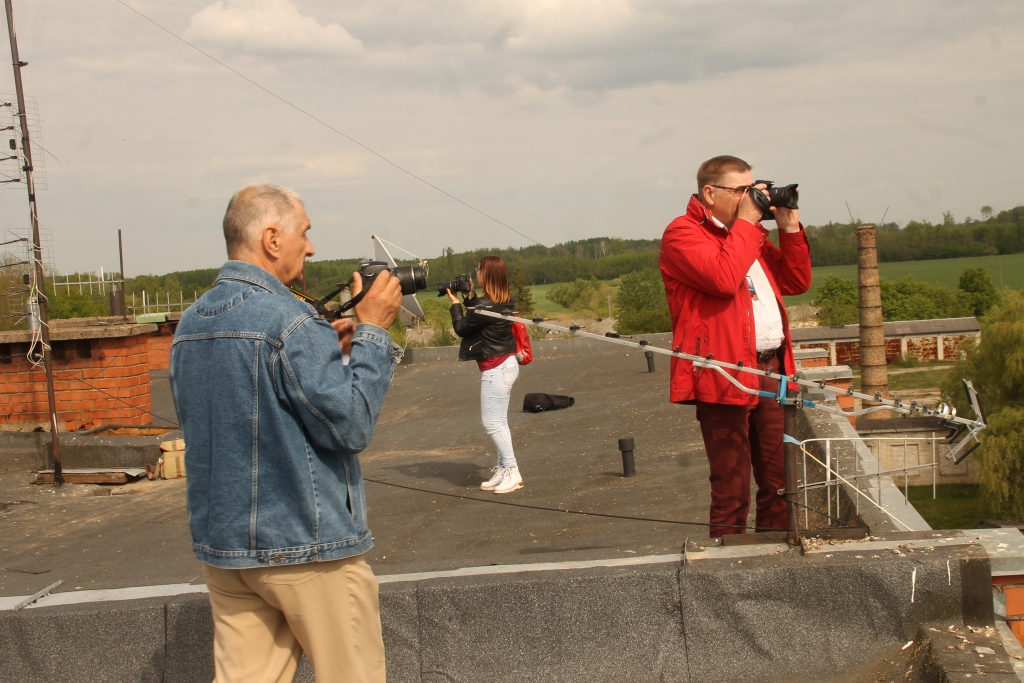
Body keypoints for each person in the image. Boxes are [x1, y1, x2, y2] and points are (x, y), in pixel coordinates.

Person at [169, 183, 403, 683]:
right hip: (308, 550)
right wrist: (375, 332)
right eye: (306, 232)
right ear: (272, 239)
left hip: (227, 551)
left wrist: (327, 349)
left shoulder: (190, 323)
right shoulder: (290, 321)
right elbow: (352, 425)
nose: (311, 246)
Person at [659, 156, 811, 537]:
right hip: (725, 375)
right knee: (732, 486)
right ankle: (726, 574)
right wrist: (747, 221)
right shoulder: (682, 234)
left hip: (772, 371)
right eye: (741, 191)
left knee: (780, 482)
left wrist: (789, 225)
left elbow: (796, 280)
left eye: (752, 189)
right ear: (709, 193)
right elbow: (725, 278)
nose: (749, 198)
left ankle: (772, 561)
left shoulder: (749, 239)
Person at [446, 255, 524, 494]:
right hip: (506, 363)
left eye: (478, 269)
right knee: (499, 422)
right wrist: (470, 298)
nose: (476, 273)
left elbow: (462, 328)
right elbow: (478, 315)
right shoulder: (502, 300)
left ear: (486, 274)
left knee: (491, 423)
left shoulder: (486, 306)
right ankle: (503, 468)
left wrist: (455, 303)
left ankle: (513, 471)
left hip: (496, 368)